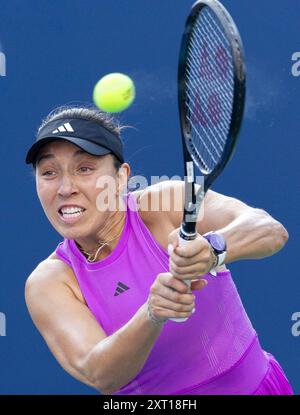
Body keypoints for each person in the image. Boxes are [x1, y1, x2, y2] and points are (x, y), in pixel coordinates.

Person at [25, 105, 294, 395]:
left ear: (120, 177)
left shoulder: (165, 202)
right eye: (49, 172)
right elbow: (101, 374)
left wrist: (214, 249)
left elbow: (269, 229)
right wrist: (152, 314)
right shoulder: (49, 283)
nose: (66, 188)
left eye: (85, 168)